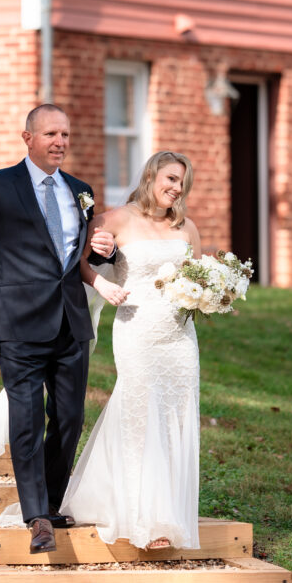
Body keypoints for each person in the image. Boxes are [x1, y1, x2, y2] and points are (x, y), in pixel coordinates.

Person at [0, 103, 116, 554]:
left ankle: (49, 500)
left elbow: (82, 257)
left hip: (70, 321)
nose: (59, 142)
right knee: (26, 419)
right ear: (28, 138)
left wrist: (104, 250)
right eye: (50, 134)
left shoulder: (81, 191)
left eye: (64, 134)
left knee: (69, 418)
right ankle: (38, 517)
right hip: (17, 322)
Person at [60, 150, 201, 551]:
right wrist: (101, 284)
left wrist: (212, 295)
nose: (177, 188)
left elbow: (199, 276)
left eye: (183, 183)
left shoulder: (187, 228)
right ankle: (142, 517)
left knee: (175, 417)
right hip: (137, 331)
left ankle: (168, 513)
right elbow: (79, 262)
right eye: (171, 179)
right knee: (140, 415)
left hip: (180, 339)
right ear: (151, 175)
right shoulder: (115, 219)